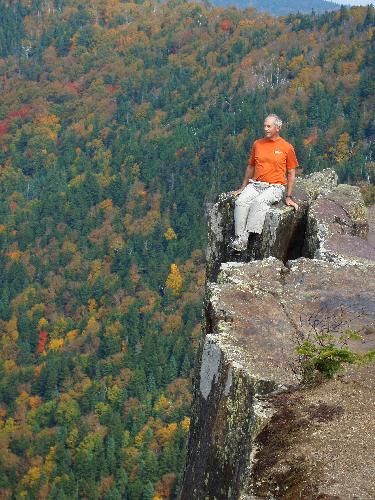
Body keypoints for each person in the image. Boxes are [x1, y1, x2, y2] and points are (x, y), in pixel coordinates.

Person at [229, 114, 299, 251]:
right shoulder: (257, 144)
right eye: (264, 126)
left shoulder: (286, 147)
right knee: (240, 201)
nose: (265, 129)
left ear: (278, 128)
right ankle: (238, 237)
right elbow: (250, 166)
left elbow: (291, 173)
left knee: (259, 202)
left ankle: (244, 238)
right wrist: (242, 187)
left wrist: (288, 197)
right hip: (256, 184)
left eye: (269, 126)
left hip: (275, 187)